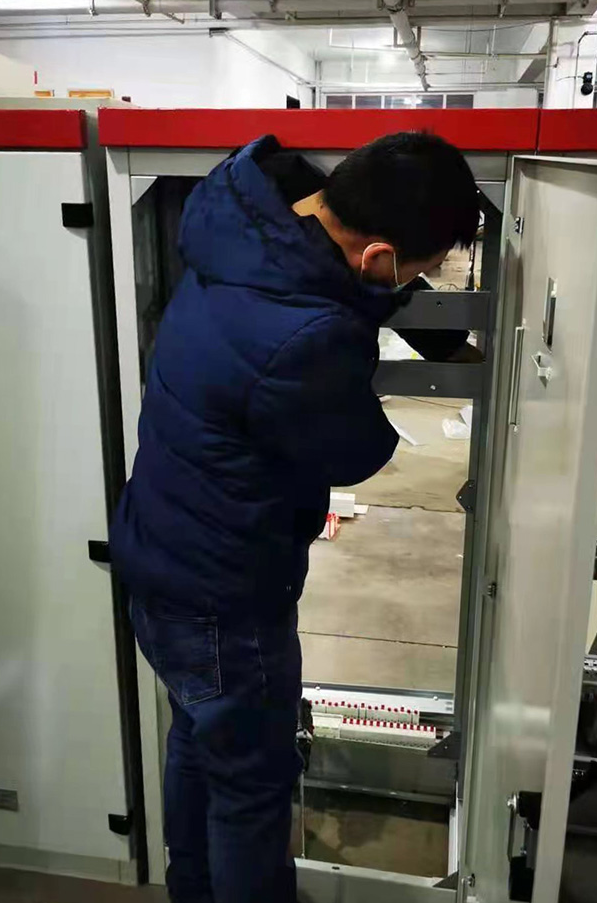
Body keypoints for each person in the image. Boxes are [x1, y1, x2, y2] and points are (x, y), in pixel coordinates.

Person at [110, 130, 480, 903]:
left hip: (158, 557)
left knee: (197, 741)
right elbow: (354, 450)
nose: (415, 285)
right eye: (416, 272)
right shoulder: (306, 336)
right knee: (252, 784)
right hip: (225, 601)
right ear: (379, 257)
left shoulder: (245, 222)